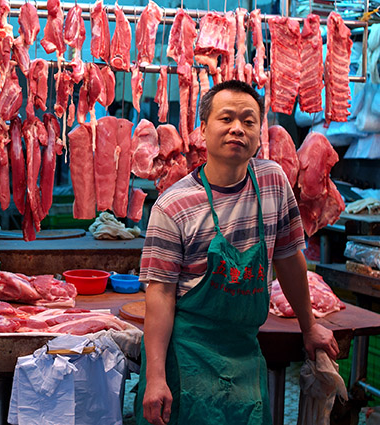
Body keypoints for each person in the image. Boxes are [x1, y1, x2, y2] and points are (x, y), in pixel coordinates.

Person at [135, 80, 340, 425]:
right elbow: (160, 293)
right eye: (226, 118)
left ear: (259, 133)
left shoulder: (273, 182)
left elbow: (289, 260)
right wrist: (156, 377)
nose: (237, 129)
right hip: (187, 354)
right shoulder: (173, 206)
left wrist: (310, 327)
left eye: (248, 121)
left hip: (245, 352)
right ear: (203, 129)